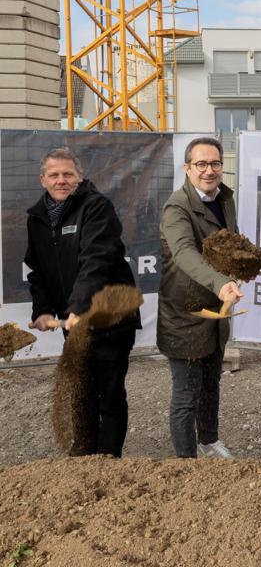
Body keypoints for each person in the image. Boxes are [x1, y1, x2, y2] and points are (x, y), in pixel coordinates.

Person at [25, 147, 139, 457]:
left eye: (67, 174)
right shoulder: (36, 218)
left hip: (110, 318)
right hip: (75, 324)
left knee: (109, 392)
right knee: (82, 391)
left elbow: (96, 260)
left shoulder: (97, 207)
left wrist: (76, 307)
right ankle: (85, 458)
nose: (61, 180)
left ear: (80, 177)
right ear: (43, 179)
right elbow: (37, 271)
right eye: (54, 175)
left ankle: (108, 459)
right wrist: (44, 310)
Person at [157, 136, 242, 459]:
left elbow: (227, 248)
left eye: (215, 164)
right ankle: (185, 461)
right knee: (185, 394)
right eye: (201, 164)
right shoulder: (177, 207)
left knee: (211, 384)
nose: (209, 170)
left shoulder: (225, 200)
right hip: (185, 313)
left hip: (216, 311)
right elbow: (184, 253)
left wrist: (238, 271)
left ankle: (209, 441)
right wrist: (221, 283)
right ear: (187, 168)